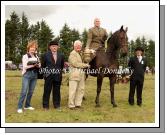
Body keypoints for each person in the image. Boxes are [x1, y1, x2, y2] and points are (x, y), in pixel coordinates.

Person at [17, 40, 41, 113]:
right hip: (27, 75)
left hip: (34, 75)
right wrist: (33, 65)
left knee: (31, 91)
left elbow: (39, 65)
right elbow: (25, 66)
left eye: (34, 47)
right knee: (24, 91)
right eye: (31, 47)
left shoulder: (36, 56)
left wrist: (38, 65)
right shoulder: (25, 56)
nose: (33, 49)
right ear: (28, 48)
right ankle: (19, 107)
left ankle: (27, 105)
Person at [42, 40, 64, 110]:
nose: (54, 47)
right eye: (53, 46)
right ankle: (45, 106)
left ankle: (57, 105)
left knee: (57, 91)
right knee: (47, 91)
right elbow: (43, 66)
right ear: (50, 47)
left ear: (58, 47)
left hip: (57, 76)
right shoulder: (45, 55)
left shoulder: (61, 55)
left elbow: (62, 66)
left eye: (56, 46)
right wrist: (45, 74)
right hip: (48, 76)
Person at [68, 40, 90, 109]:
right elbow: (75, 64)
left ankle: (78, 104)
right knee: (73, 90)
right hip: (74, 74)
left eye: (80, 46)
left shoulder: (80, 54)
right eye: (77, 45)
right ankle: (71, 105)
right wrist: (85, 65)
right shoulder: (72, 53)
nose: (79, 47)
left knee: (81, 89)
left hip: (81, 74)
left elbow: (87, 58)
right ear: (74, 46)